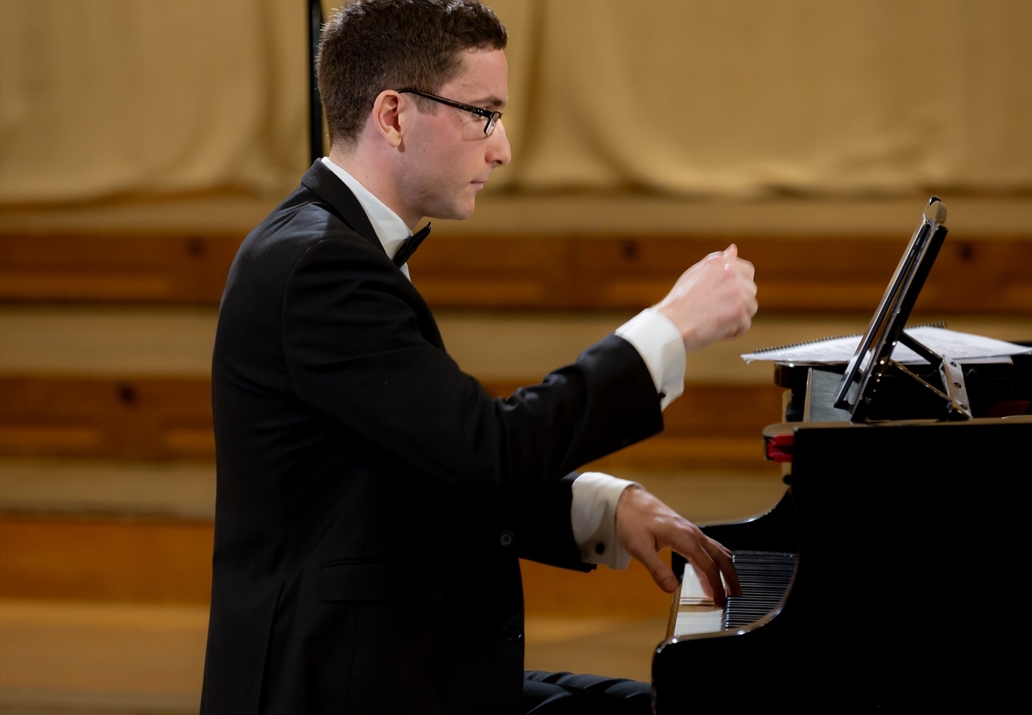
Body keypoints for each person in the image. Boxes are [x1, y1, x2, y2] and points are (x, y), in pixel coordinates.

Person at [200, 1, 758, 713]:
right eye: (484, 114)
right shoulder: (317, 267)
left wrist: (603, 507)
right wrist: (671, 328)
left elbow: (433, 460)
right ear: (394, 116)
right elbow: (485, 449)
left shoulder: (333, 249)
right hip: (337, 686)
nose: (502, 149)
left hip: (388, 667)